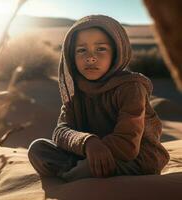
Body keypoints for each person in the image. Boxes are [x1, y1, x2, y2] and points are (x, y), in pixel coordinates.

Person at [28, 15, 170, 182]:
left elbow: (128, 146)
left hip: (136, 159)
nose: (90, 57)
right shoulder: (75, 90)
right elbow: (60, 131)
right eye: (81, 50)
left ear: (117, 52)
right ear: (71, 57)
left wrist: (95, 152)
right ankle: (79, 172)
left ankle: (75, 175)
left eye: (101, 49)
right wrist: (88, 143)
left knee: (89, 168)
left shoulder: (131, 87)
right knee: (38, 149)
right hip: (89, 152)